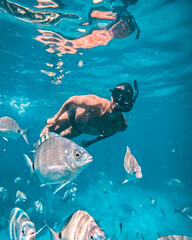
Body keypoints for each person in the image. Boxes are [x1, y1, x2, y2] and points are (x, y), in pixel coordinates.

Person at [40, 81, 139, 147]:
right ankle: (34, 150)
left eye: (125, 98)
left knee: (56, 141)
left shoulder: (121, 125)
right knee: (48, 133)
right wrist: (55, 118)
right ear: (112, 95)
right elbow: (71, 100)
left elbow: (107, 133)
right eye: (116, 94)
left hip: (79, 130)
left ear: (129, 102)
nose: (119, 100)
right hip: (73, 114)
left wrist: (92, 142)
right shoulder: (95, 102)